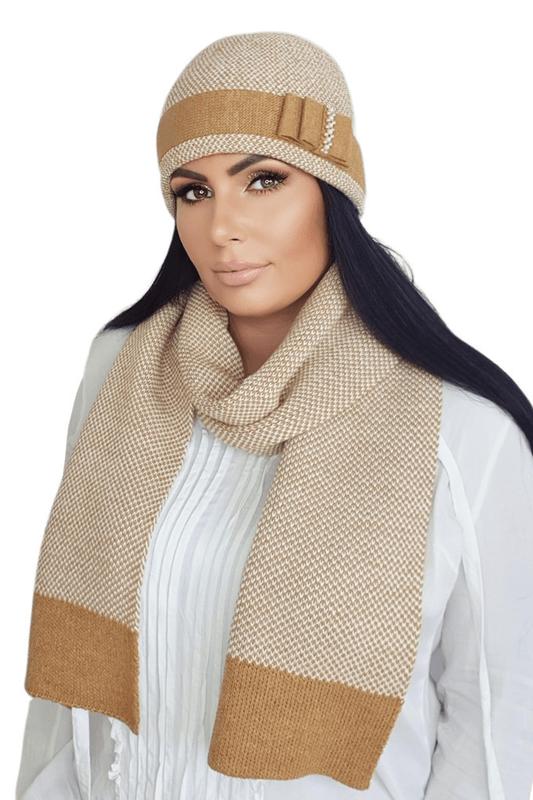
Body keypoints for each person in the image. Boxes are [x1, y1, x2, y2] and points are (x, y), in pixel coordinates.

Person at [16, 31, 533, 800]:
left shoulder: (460, 427)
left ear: (332, 193)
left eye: (262, 180)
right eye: (192, 191)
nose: (221, 226)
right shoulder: (123, 374)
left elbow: (498, 715)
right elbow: (68, 707)